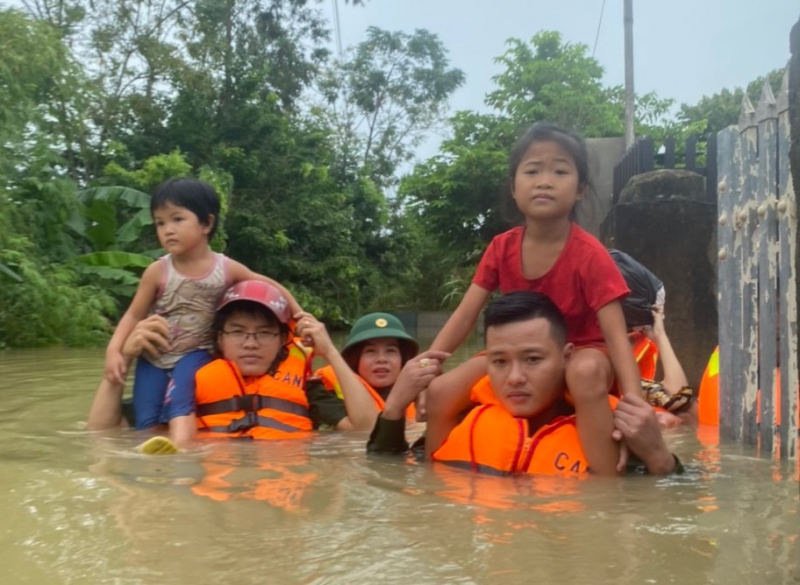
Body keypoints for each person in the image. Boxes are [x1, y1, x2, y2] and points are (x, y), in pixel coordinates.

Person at [429, 123, 641, 475]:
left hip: (583, 351)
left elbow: (617, 339)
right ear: (514, 188)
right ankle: (433, 480)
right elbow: (464, 316)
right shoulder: (502, 247)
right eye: (532, 171)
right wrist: (426, 367)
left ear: (580, 189)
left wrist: (636, 410)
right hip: (520, 351)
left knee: (585, 371)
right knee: (440, 391)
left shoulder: (591, 255)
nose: (544, 181)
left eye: (559, 171)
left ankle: (607, 487)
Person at [369, 292, 680, 476]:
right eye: (499, 362)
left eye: (532, 359)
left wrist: (659, 457)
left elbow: (678, 498)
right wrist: (394, 407)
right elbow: (388, 471)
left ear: (565, 357)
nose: (515, 377)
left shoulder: (608, 430)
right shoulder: (465, 421)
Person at [102, 178, 301, 431]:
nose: (167, 230)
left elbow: (268, 285)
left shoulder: (224, 268)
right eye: (160, 223)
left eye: (177, 219)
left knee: (180, 402)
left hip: (197, 353)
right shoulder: (157, 271)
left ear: (207, 223)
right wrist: (114, 351)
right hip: (154, 355)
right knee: (146, 419)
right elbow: (133, 316)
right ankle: (156, 451)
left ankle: (183, 446)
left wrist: (300, 314)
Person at [88, 281, 376, 446]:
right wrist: (124, 357)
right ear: (219, 339)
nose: (251, 343)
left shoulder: (305, 390)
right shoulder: (189, 384)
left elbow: (365, 428)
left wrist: (331, 352)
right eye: (238, 332)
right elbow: (101, 432)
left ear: (282, 340)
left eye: (264, 333)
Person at [313, 313, 431, 421]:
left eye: (391, 351)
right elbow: (365, 429)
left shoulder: (423, 392)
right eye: (370, 351)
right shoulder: (325, 392)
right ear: (355, 359)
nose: (382, 359)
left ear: (403, 359)